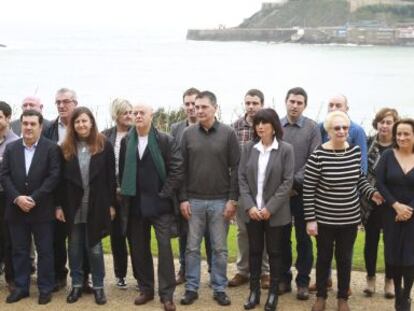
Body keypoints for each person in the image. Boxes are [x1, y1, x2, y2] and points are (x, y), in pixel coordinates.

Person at [304, 110, 383, 311]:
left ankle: (342, 298)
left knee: (345, 259)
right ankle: (321, 296)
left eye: (345, 127)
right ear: (329, 131)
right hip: (324, 219)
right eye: (337, 128)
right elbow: (308, 189)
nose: (341, 131)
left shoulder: (355, 152)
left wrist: (371, 193)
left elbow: (359, 180)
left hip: (349, 219)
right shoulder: (318, 156)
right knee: (323, 258)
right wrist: (310, 220)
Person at [119, 103, 183, 311]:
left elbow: (176, 170)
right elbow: (122, 172)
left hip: (161, 206)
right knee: (139, 250)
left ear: (151, 116)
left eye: (141, 113)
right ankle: (146, 289)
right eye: (134, 113)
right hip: (135, 206)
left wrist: (163, 194)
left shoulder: (165, 140)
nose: (137, 116)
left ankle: (167, 295)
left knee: (164, 250)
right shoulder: (127, 140)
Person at [179, 91, 240, 306]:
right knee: (192, 248)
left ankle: (219, 288)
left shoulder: (228, 133)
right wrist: (183, 198)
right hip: (193, 201)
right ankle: (191, 288)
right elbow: (181, 169)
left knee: (220, 249)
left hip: (220, 201)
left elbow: (236, 168)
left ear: (215, 108)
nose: (199, 110)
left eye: (204, 107)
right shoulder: (187, 134)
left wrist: (233, 200)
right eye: (197, 107)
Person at [1, 110, 61, 305]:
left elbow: (53, 177)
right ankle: (21, 287)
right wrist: (17, 198)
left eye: (32, 124)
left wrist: (33, 198)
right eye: (25, 123)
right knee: (19, 250)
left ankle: (45, 288)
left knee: (45, 251)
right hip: (16, 209)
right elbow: (4, 175)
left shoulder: (51, 149)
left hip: (42, 210)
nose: (28, 127)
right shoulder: (11, 148)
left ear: (40, 126)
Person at [58, 107, 116, 305]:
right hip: (72, 206)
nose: (81, 125)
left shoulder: (103, 145)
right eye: (77, 122)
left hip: (96, 205)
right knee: (73, 248)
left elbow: (110, 179)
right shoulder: (65, 147)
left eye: (84, 121)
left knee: (95, 249)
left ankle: (98, 287)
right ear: (72, 125)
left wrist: (111, 205)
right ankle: (76, 285)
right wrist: (58, 206)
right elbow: (59, 182)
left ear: (91, 122)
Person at [239, 108, 294, 311]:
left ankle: (273, 295)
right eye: (257, 123)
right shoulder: (248, 148)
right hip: (253, 212)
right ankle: (254, 293)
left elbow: (288, 182)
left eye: (265, 123)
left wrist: (269, 208)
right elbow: (242, 179)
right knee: (254, 252)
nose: (260, 126)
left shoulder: (286, 149)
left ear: (274, 126)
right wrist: (250, 206)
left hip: (276, 213)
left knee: (275, 252)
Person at [279, 87, 321, 300]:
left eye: (299, 102)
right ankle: (284, 279)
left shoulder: (312, 128)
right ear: (286, 102)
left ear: (305, 105)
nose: (294, 105)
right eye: (292, 101)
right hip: (280, 196)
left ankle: (303, 281)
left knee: (304, 240)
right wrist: (283, 187)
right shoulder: (276, 126)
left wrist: (292, 183)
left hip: (304, 194)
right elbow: (272, 157)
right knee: (282, 239)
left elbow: (314, 160)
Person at [171, 87, 212, 286]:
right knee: (184, 236)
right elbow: (174, 163)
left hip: (209, 191)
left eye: (193, 103)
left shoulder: (215, 128)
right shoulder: (175, 128)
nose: (190, 108)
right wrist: (180, 196)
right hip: (185, 191)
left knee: (211, 237)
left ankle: (214, 272)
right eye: (186, 104)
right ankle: (184, 270)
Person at [229, 89, 270, 289]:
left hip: (265, 188)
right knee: (243, 232)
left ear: (262, 104)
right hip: (242, 187)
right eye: (248, 103)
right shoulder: (235, 127)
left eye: (255, 103)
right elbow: (232, 162)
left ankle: (264, 272)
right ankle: (243, 270)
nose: (251, 106)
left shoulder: (269, 125)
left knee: (265, 231)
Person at [43, 87, 80, 292]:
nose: (61, 105)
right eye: (58, 102)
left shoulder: (83, 125)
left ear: (75, 102)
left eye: (65, 101)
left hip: (77, 191)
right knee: (56, 236)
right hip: (54, 191)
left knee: (80, 237)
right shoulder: (48, 128)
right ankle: (59, 275)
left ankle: (82, 278)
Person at [375, 118, 414, 311]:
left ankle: (406, 295)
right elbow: (380, 183)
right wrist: (396, 206)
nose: (402, 137)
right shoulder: (388, 155)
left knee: (410, 257)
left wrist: (408, 210)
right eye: (398, 133)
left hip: (413, 216)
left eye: (406, 133)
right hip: (390, 214)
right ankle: (398, 292)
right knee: (394, 256)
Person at [362, 108, 399, 298]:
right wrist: (372, 191)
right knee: (371, 242)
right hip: (370, 200)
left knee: (391, 242)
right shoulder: (367, 143)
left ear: (395, 124)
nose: (384, 125)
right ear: (376, 124)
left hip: (392, 202)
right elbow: (361, 171)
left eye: (389, 122)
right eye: (381, 122)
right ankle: (370, 279)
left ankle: (390, 281)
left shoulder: (400, 146)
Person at [102, 98, 133, 289]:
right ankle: (120, 275)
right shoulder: (105, 136)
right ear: (116, 115)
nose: (129, 115)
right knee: (116, 238)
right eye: (125, 113)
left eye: (131, 112)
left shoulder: (138, 134)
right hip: (111, 192)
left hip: (132, 194)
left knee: (135, 236)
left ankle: (139, 276)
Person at [0, 101, 20, 291]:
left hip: (7, 197)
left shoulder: (15, 143)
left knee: (9, 238)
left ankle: (11, 278)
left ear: (8, 118)